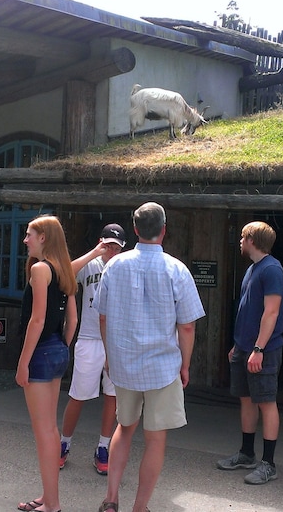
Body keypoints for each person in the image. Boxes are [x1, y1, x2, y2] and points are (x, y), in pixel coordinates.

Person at [95, 202, 205, 512]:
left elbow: (102, 317)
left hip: (124, 364)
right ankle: (139, 507)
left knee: (124, 427)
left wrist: (109, 354)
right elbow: (186, 325)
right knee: (155, 439)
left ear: (135, 230)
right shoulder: (176, 269)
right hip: (162, 367)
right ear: (164, 230)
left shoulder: (113, 266)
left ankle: (111, 498)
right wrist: (185, 365)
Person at [15, 215, 78, 512]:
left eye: (30, 234)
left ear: (44, 238)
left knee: (43, 432)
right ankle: (48, 496)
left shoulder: (40, 269)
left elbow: (36, 319)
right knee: (50, 431)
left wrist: (23, 362)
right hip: (57, 349)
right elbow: (73, 319)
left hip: (40, 353)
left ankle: (51, 504)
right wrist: (62, 346)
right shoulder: (64, 271)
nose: (25, 240)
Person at [216, 221, 283, 485]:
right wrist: (239, 345)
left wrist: (258, 348)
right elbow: (247, 310)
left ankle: (269, 464)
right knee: (246, 399)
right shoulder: (253, 269)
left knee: (267, 402)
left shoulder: (272, 270)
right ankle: (247, 453)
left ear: (252, 240)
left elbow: (272, 312)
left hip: (263, 350)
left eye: (243, 237)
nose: (240, 242)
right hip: (245, 348)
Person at [57, 223, 126, 476]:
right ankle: (64, 443)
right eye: (107, 244)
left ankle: (103, 447)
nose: (111, 250)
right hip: (89, 338)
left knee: (112, 396)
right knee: (78, 394)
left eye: (116, 247)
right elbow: (65, 275)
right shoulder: (92, 264)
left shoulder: (125, 266)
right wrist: (94, 253)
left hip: (116, 340)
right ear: (100, 241)